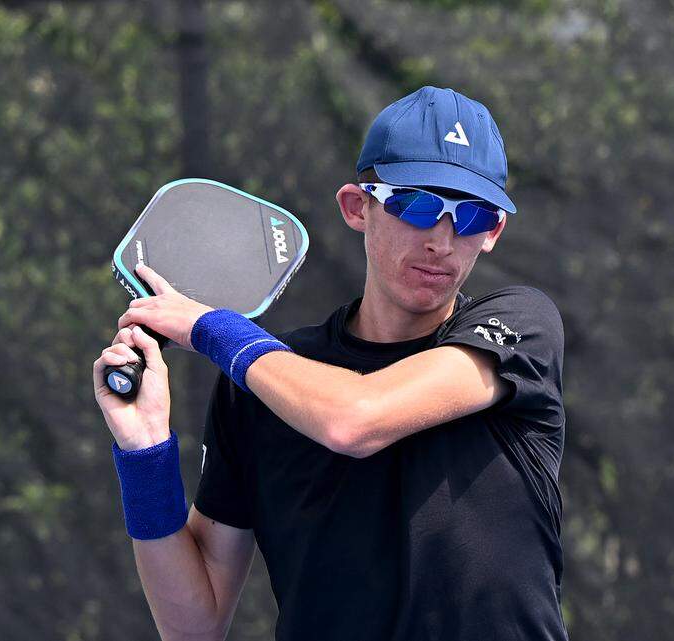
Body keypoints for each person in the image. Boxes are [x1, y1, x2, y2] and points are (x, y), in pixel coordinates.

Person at [92, 86, 568, 641]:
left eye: (472, 217)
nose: (442, 239)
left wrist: (210, 326)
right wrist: (144, 452)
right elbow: (193, 626)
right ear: (356, 207)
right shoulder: (262, 386)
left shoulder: (522, 329)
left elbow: (353, 420)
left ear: (493, 233)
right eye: (414, 204)